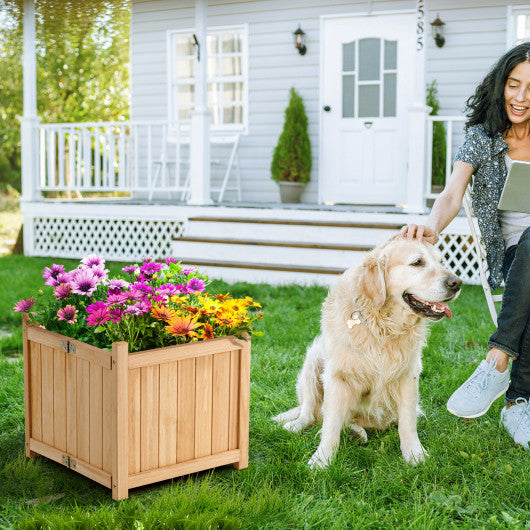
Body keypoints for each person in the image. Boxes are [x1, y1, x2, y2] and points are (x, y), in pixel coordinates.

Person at [400, 42, 530, 450]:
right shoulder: (482, 137)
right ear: (500, 86)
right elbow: (452, 193)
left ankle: (500, 366)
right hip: (514, 255)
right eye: (514, 85)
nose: (521, 97)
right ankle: (518, 401)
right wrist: (432, 227)